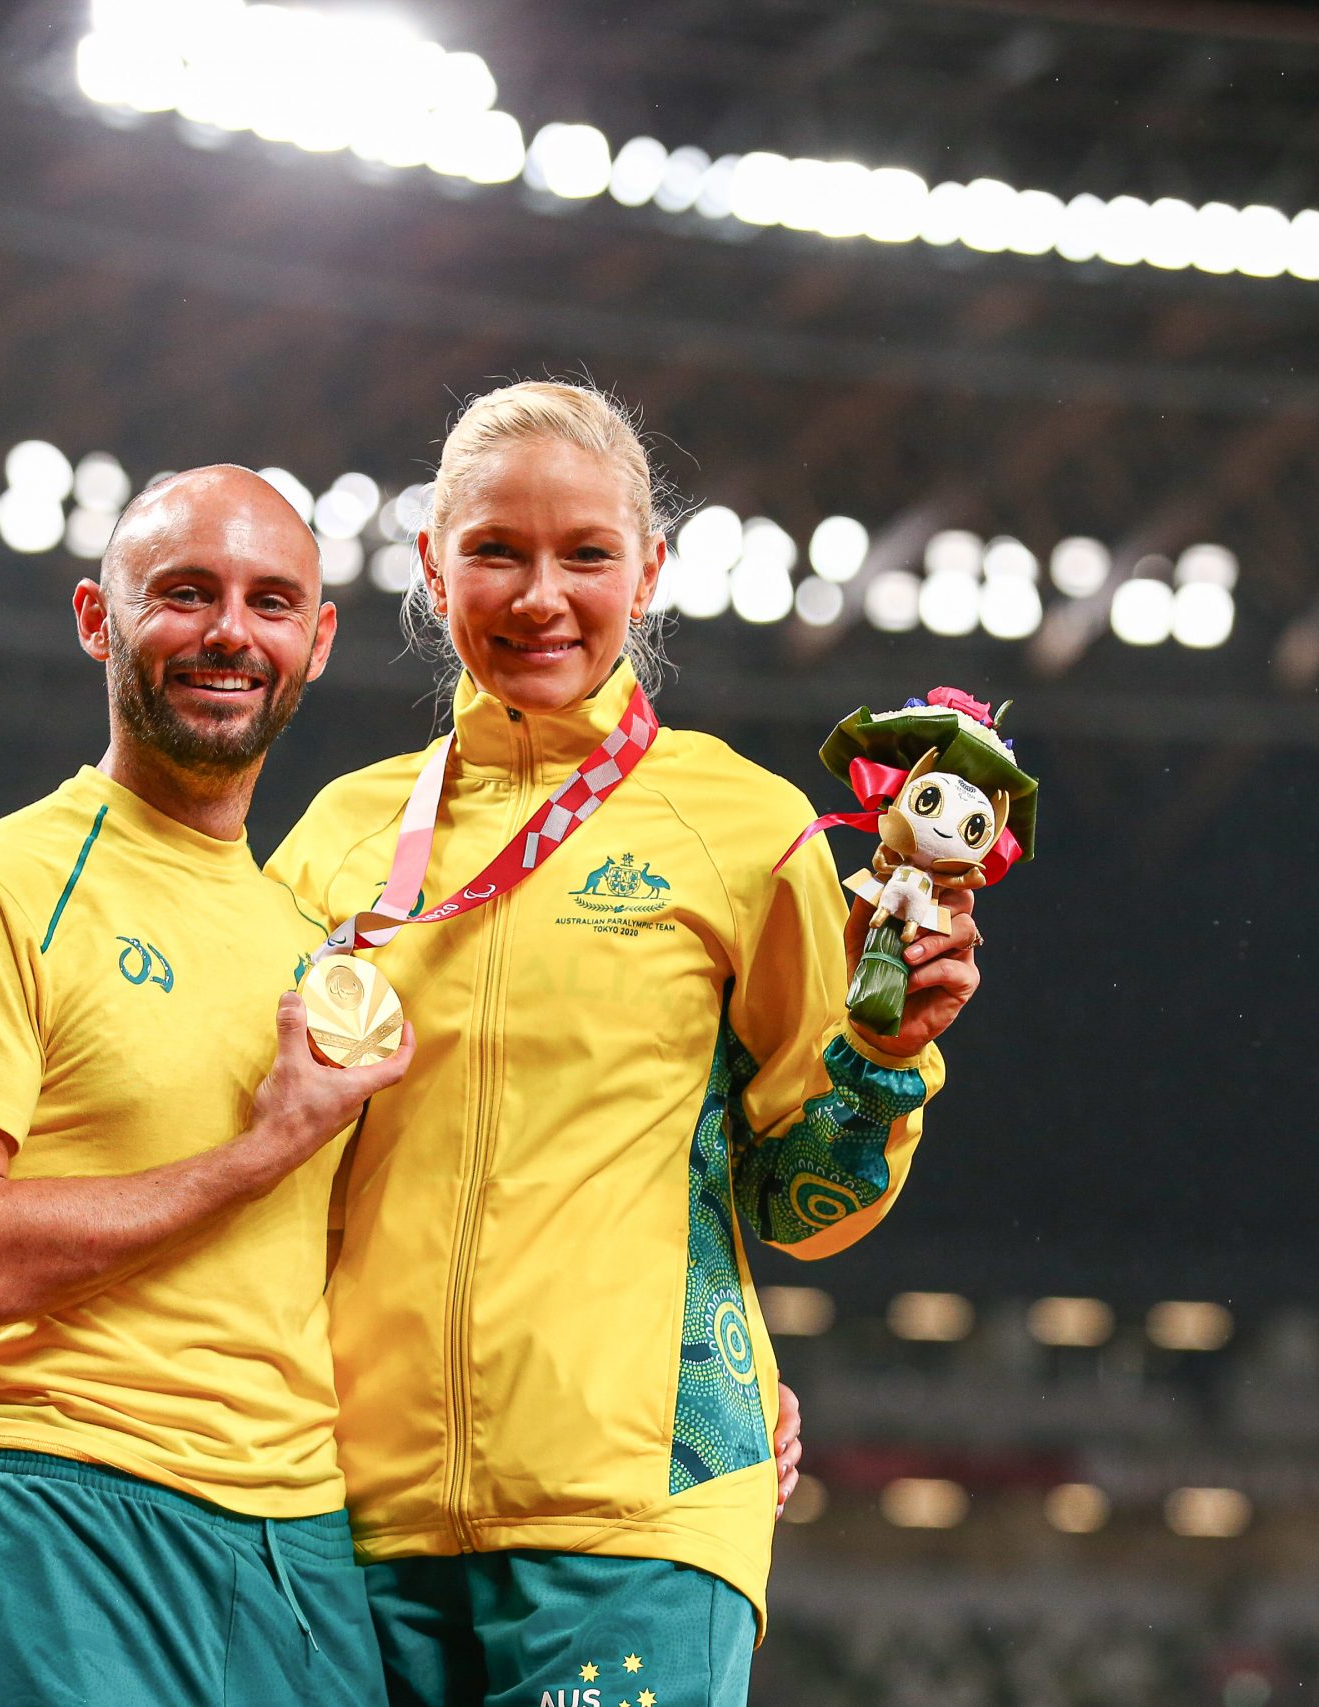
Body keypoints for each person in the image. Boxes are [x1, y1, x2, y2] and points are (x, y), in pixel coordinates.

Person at [270, 382, 983, 1706]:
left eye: (585, 554)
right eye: (496, 551)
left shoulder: (743, 826)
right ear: (433, 564)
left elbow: (798, 1201)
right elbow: (268, 1174)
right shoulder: (335, 842)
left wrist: (888, 1057)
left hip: (636, 1515)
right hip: (343, 1514)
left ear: (648, 570)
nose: (542, 594)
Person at [0, 467, 415, 1704]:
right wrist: (255, 1155)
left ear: (315, 643)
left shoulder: (318, 944)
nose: (228, 633)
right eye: (185, 594)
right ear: (97, 618)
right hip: (66, 1510)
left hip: (302, 1547)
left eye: (270, 603)